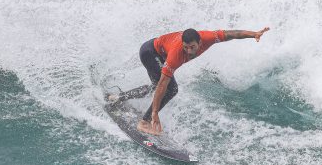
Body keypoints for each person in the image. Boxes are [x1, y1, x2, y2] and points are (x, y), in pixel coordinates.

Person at [108, 27, 270, 135]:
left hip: (156, 51)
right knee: (170, 89)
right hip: (150, 53)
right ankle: (144, 122)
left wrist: (253, 34)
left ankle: (118, 98)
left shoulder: (209, 37)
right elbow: (163, 85)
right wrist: (155, 113)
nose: (188, 51)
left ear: (200, 42)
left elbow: (230, 34)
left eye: (192, 47)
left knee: (155, 87)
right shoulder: (176, 55)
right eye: (185, 47)